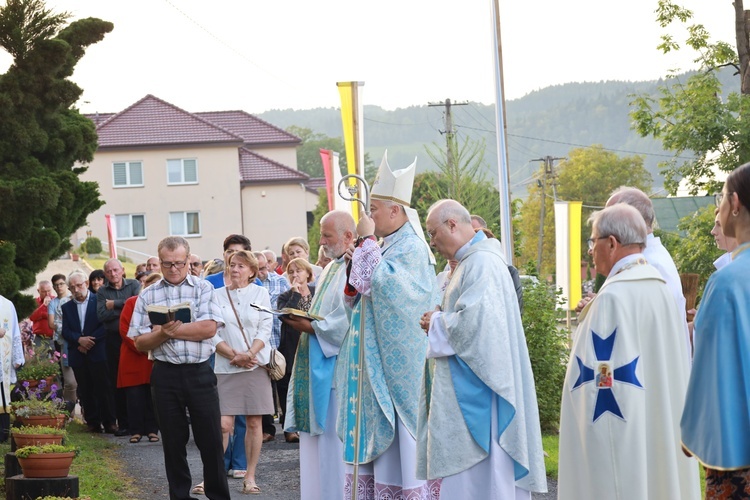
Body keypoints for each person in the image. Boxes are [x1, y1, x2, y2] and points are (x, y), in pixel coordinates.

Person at [558, 204, 699, 499]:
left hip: (622, 441)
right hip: (659, 424)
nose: (589, 251)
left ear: (611, 243)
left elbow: (603, 386)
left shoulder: (612, 299)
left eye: (592, 241)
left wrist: (594, 443)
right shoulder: (659, 289)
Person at [417, 200, 546, 498]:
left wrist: (436, 321)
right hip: (472, 384)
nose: (432, 241)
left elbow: (478, 326)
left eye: (433, 233)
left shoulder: (481, 263)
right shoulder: (470, 262)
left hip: (480, 393)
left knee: (482, 478)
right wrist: (439, 314)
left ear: (452, 224)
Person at [336, 152, 439, 498]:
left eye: (374, 209)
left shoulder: (411, 247)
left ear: (396, 211)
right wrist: (362, 257)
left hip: (399, 371)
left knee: (402, 455)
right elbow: (364, 294)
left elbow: (393, 292)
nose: (367, 216)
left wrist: (365, 244)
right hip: (375, 362)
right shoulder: (388, 244)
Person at [128, 236, 230, 500]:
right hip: (165, 373)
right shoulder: (148, 294)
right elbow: (139, 342)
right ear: (159, 262)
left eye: (179, 263)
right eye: (167, 264)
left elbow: (208, 328)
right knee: (173, 443)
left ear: (188, 260)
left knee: (210, 441)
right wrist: (165, 335)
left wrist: (166, 330)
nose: (174, 269)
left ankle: (218, 495)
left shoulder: (203, 287)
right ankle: (179, 496)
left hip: (199, 372)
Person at [682, 164, 750, 497]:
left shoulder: (726, 282)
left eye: (721, 199)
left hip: (739, 447)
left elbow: (710, 366)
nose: (719, 210)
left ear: (735, 203)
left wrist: (691, 429)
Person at [284, 210, 355, 500]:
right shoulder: (332, 269)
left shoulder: (352, 268)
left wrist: (310, 326)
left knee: (332, 449)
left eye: (327, 235)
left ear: (348, 236)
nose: (322, 242)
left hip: (337, 371)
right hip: (316, 361)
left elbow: (348, 318)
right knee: (316, 450)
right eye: (321, 235)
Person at [210, 250, 274, 495]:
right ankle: (213, 476)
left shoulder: (261, 293)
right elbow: (212, 331)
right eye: (232, 265)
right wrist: (233, 355)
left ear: (251, 271)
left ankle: (250, 476)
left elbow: (265, 327)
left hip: (254, 364)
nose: (235, 269)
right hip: (226, 366)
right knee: (223, 425)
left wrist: (249, 354)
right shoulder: (216, 296)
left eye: (240, 266)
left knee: (254, 423)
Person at [62, 270, 117, 434]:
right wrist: (79, 340)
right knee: (85, 389)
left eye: (79, 285)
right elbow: (65, 331)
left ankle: (109, 422)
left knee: (104, 388)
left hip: (98, 350)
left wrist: (88, 341)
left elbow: (105, 325)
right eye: (72, 287)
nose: (76, 289)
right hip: (78, 353)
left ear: (86, 283)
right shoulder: (67, 307)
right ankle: (92, 422)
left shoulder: (98, 301)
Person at [97, 258, 141, 436]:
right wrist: (125, 306)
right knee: (118, 381)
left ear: (122, 270)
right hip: (113, 340)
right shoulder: (102, 291)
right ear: (105, 274)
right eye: (109, 272)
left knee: (137, 381)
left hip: (133, 338)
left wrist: (114, 304)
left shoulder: (134, 284)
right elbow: (101, 315)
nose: (113, 274)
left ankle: (140, 424)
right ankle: (124, 424)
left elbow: (137, 306)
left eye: (115, 270)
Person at [118, 273, 161, 444]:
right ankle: (135, 430)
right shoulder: (132, 302)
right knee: (134, 396)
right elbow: (124, 328)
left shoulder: (163, 304)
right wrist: (143, 347)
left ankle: (152, 429)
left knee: (152, 396)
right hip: (134, 355)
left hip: (155, 357)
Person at [276, 257, 315, 443]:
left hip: (315, 343)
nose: (294, 274)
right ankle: (289, 428)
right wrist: (296, 293)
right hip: (291, 346)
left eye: (298, 270)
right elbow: (287, 315)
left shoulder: (318, 292)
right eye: (291, 272)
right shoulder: (285, 296)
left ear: (308, 273)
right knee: (288, 386)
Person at [256, 250, 290, 443]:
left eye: (264, 267)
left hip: (280, 338)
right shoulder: (249, 286)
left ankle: (288, 427)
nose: (261, 272)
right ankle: (267, 428)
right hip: (260, 343)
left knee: (284, 384)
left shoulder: (280, 281)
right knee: (264, 387)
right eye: (258, 268)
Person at [470, 214, 524, 312]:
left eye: (476, 234)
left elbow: (515, 311)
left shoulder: (508, 271)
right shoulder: (454, 270)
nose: (472, 240)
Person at [47, 273, 77, 415]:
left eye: (61, 284)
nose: (59, 287)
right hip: (62, 342)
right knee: (68, 380)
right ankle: (69, 410)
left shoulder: (74, 299)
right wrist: (66, 327)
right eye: (56, 285)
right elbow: (51, 324)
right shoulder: (53, 303)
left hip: (78, 340)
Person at [0, 294, 25, 442]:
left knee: (3, 393)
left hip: (4, 358)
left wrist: (17, 357)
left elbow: (15, 331)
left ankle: (2, 432)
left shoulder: (7, 304)